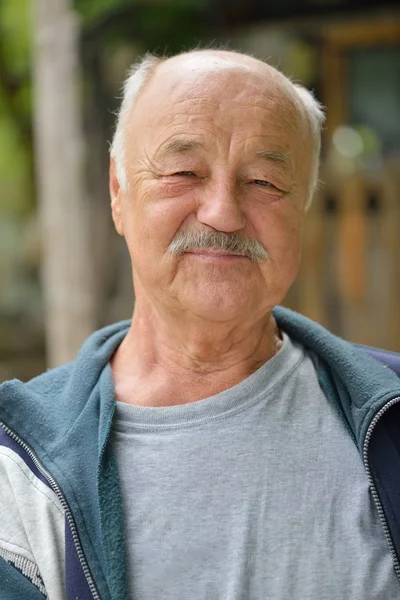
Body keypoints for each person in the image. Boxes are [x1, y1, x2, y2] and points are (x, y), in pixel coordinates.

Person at [0, 49, 400, 600]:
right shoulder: (16, 468)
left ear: (302, 208)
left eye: (263, 181)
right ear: (119, 195)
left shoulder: (391, 417)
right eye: (184, 172)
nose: (223, 212)